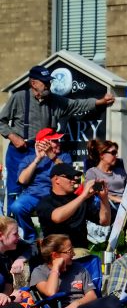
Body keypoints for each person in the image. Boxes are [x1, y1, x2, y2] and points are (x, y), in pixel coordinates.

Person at [0, 65, 114, 208]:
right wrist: (12, 136)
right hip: (20, 150)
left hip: (44, 150)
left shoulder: (55, 100)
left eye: (49, 81)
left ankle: (44, 222)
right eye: (44, 82)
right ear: (33, 83)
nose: (48, 84)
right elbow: (1, 121)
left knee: (45, 186)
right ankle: (13, 226)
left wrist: (100, 102)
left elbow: (77, 105)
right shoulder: (19, 98)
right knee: (15, 190)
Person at [10, 128, 72, 242]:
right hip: (32, 195)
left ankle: (48, 240)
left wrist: (52, 156)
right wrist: (37, 160)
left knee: (47, 208)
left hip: (53, 195)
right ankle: (31, 239)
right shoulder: (29, 159)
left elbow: (69, 173)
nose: (59, 143)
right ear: (42, 144)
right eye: (55, 141)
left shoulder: (63, 157)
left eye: (58, 140)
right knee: (16, 207)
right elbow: (23, 180)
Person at [36, 163, 111, 253]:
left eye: (75, 177)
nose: (74, 180)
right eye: (69, 177)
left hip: (80, 251)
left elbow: (104, 221)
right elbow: (57, 217)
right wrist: (83, 196)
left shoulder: (80, 200)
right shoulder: (45, 202)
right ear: (56, 179)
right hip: (56, 252)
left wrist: (104, 199)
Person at [85, 139, 127, 207]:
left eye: (116, 153)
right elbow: (93, 190)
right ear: (102, 155)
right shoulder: (93, 172)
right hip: (109, 206)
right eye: (113, 153)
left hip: (126, 204)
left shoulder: (119, 171)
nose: (116, 156)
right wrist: (115, 199)